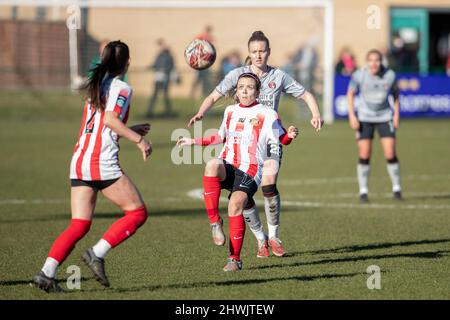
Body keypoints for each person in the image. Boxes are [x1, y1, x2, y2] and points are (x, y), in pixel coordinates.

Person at [188, 31, 322, 258]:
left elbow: (307, 95)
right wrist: (201, 113)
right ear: (248, 53)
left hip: (269, 139)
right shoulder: (238, 75)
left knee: (269, 184)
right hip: (244, 143)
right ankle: (260, 240)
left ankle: (274, 236)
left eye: (262, 51)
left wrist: (316, 113)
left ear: (268, 52)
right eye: (254, 51)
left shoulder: (279, 76)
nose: (258, 55)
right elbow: (213, 95)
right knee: (243, 196)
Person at [33, 40, 152, 293]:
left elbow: (99, 126)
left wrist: (129, 130)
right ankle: (96, 253)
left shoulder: (96, 86)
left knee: (79, 224)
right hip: (101, 163)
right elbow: (109, 120)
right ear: (128, 63)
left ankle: (46, 273)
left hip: (80, 160)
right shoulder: (121, 87)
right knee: (137, 213)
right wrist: (139, 140)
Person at [178, 73, 299, 271]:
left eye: (249, 87)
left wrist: (291, 135)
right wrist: (192, 141)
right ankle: (215, 222)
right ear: (236, 90)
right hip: (229, 165)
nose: (244, 90)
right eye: (241, 86)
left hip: (250, 171)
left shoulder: (267, 113)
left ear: (258, 92)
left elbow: (282, 138)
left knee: (236, 204)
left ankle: (234, 259)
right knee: (211, 165)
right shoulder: (230, 111)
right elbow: (219, 137)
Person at [347, 49, 402, 203]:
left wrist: (396, 114)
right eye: (371, 60)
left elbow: (396, 94)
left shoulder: (390, 75)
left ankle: (397, 188)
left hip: (385, 117)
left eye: (377, 60)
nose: (374, 63)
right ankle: (363, 191)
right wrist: (352, 115)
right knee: (365, 153)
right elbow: (350, 93)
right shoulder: (359, 75)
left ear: (381, 61)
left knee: (390, 152)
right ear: (367, 62)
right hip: (364, 117)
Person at [146, 38, 175, 117]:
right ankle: (149, 112)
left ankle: (168, 113)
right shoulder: (158, 55)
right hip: (158, 79)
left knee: (166, 97)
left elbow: (172, 66)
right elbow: (155, 65)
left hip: (165, 79)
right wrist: (149, 67)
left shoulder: (169, 56)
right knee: (154, 96)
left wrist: (166, 71)